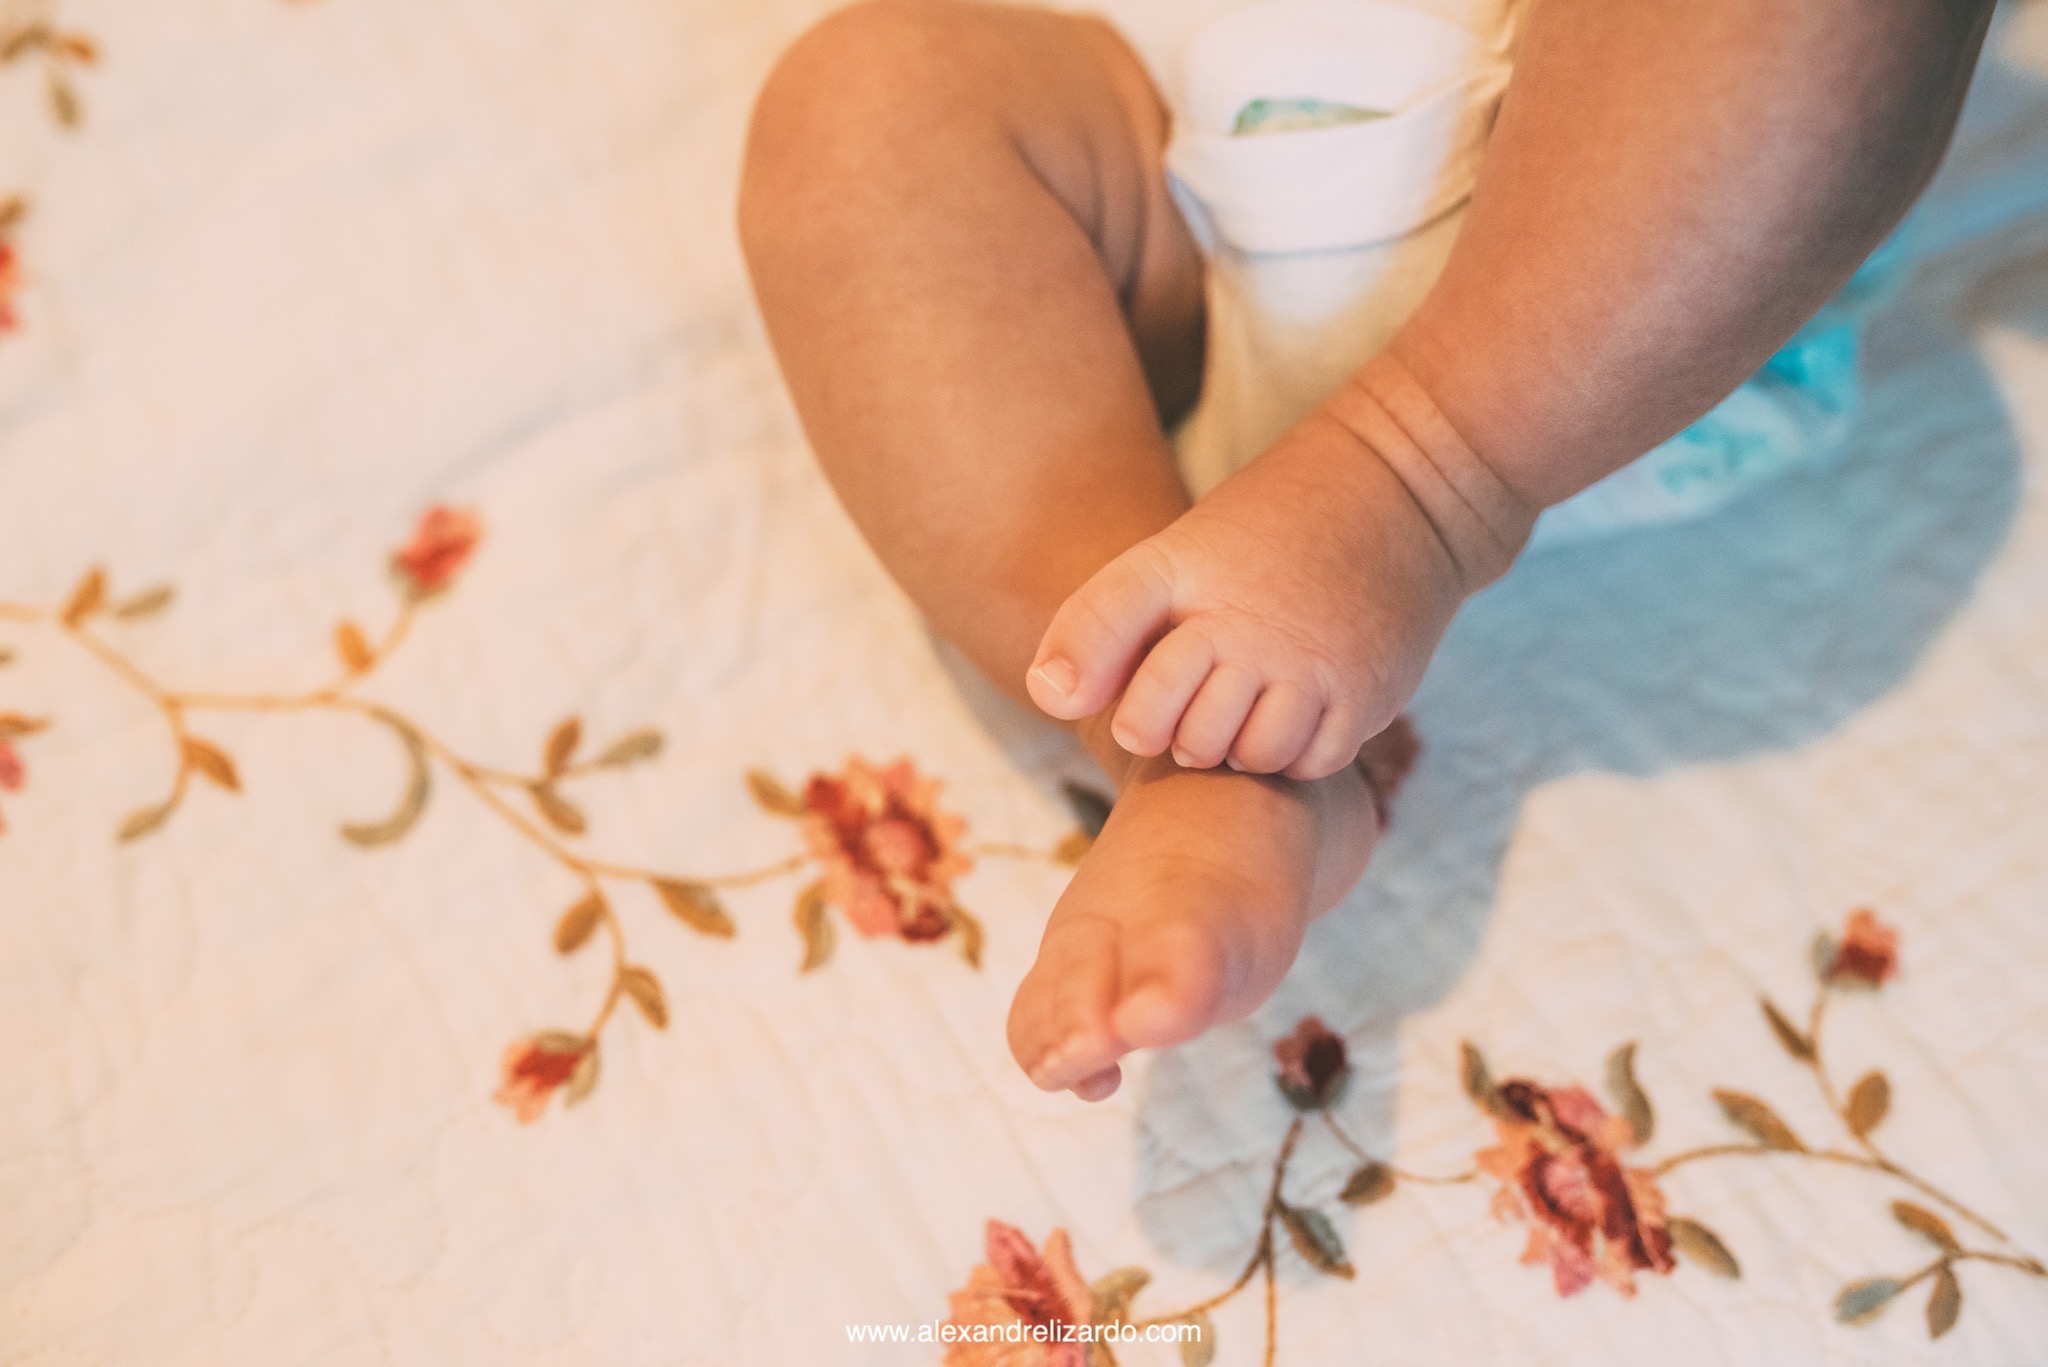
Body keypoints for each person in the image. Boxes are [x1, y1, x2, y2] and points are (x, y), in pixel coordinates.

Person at [736, 0, 1996, 1101]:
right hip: (1187, 141)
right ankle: (1183, 738)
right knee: (862, 108)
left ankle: (1421, 478)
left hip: (1615, 274)